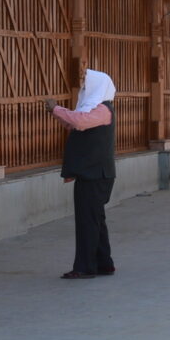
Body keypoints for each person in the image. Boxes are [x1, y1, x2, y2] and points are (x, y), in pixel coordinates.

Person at [50, 69, 117, 280]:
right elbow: (74, 123)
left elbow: (79, 122)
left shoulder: (103, 110)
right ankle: (104, 263)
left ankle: (85, 267)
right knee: (95, 219)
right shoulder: (93, 110)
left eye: (88, 86)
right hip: (92, 174)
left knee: (87, 221)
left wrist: (56, 108)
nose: (84, 90)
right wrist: (57, 113)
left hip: (96, 175)